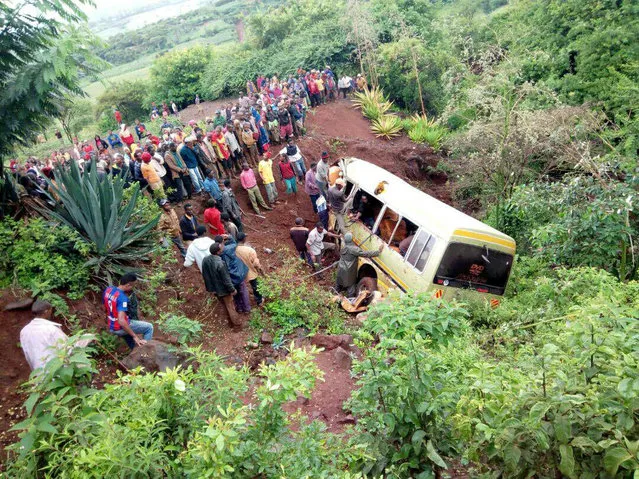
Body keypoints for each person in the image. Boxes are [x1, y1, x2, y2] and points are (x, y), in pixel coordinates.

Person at [19, 300, 87, 372]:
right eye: (51, 310)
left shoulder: (24, 331)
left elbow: (28, 356)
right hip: (56, 373)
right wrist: (86, 339)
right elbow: (67, 350)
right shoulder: (51, 329)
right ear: (46, 311)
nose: (51, 312)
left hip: (39, 374)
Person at [103, 273, 154, 349]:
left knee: (128, 334)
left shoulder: (108, 290)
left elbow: (105, 308)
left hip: (112, 326)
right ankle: (145, 352)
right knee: (149, 327)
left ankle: (134, 350)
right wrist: (135, 336)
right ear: (127, 285)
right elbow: (121, 321)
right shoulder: (123, 298)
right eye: (132, 286)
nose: (133, 288)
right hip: (119, 327)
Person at [201, 242, 241, 329]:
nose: (223, 248)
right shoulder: (221, 263)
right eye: (221, 248)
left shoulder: (205, 259)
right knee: (230, 306)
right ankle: (237, 326)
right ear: (218, 252)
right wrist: (232, 290)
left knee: (224, 305)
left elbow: (205, 275)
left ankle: (229, 322)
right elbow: (226, 280)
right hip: (223, 290)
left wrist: (210, 288)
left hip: (214, 289)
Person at [216, 235, 251, 314]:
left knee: (235, 293)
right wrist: (229, 237)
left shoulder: (217, 255)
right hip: (238, 274)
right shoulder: (229, 249)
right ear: (222, 242)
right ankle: (247, 308)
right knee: (243, 291)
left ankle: (239, 308)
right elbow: (235, 243)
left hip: (229, 278)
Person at [235, 232, 264, 306]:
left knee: (241, 288)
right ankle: (259, 301)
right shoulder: (250, 250)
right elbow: (256, 264)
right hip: (250, 272)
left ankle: (241, 303)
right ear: (244, 239)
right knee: (256, 287)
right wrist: (261, 271)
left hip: (239, 273)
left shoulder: (234, 250)